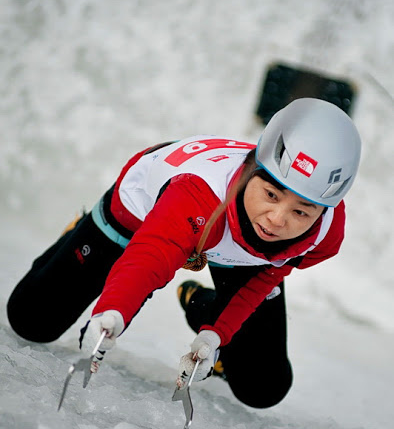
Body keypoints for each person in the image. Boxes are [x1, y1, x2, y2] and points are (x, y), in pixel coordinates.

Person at [7, 98, 362, 409]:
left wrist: (215, 333)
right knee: (32, 320)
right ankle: (78, 233)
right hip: (149, 214)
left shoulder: (325, 233)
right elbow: (150, 258)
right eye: (270, 194)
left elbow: (269, 272)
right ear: (253, 169)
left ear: (323, 211)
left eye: (301, 211)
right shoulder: (195, 194)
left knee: (263, 388)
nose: (277, 220)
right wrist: (111, 311)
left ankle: (201, 303)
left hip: (233, 246)